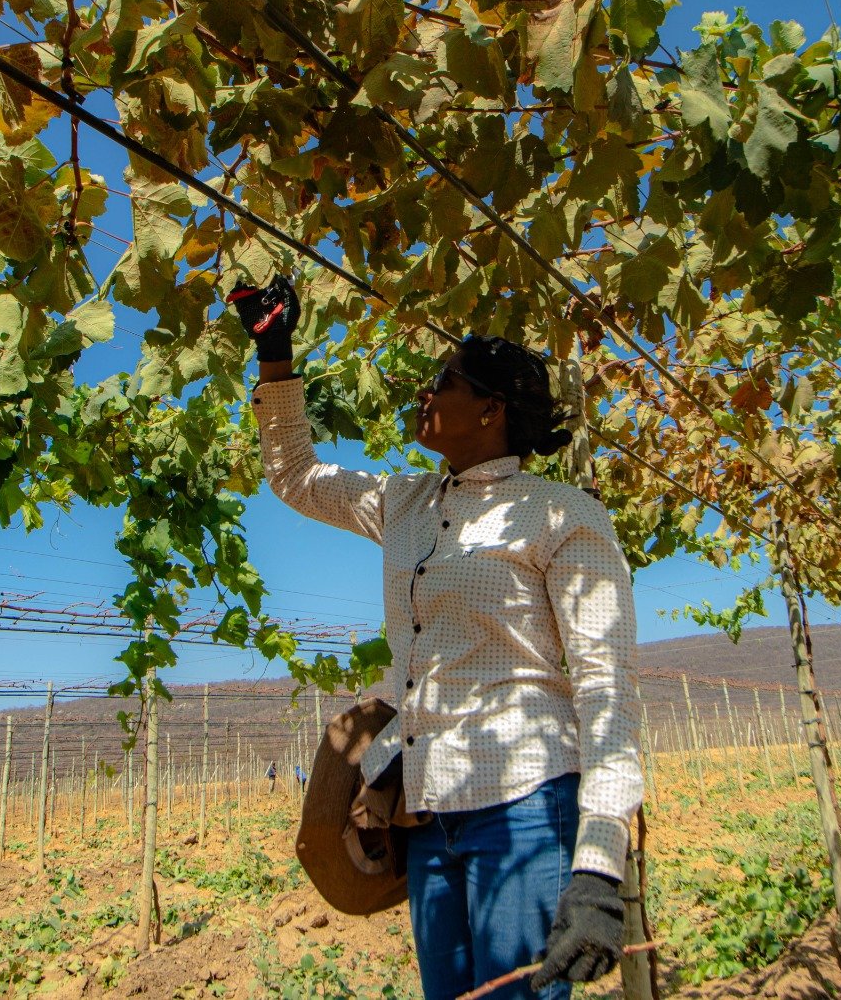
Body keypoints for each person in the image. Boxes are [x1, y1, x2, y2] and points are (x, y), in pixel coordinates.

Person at [232, 276, 644, 1000]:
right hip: (425, 815)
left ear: (492, 409)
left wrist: (598, 865)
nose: (425, 393)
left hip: (526, 808)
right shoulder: (407, 502)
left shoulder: (562, 515)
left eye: (443, 382)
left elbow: (607, 689)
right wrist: (276, 354)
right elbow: (295, 476)